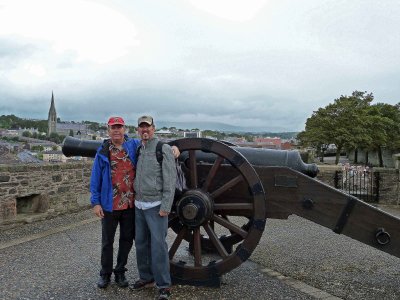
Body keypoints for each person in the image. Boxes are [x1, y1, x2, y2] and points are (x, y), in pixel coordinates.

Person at [90, 116, 140, 288]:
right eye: (113, 127)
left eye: (119, 127)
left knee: (126, 239)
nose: (117, 130)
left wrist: (174, 147)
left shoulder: (133, 146)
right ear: (108, 130)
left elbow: (152, 145)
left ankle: (120, 271)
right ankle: (105, 274)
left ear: (124, 129)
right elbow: (95, 179)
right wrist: (95, 203)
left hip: (129, 204)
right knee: (107, 241)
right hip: (109, 204)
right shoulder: (103, 151)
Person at [132, 115, 176, 300]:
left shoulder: (163, 148)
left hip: (156, 205)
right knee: (141, 244)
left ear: (154, 128)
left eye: (147, 127)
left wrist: (166, 206)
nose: (144, 130)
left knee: (158, 246)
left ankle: (164, 285)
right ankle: (146, 278)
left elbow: (170, 180)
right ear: (138, 130)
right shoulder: (139, 148)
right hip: (139, 204)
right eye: (141, 127)